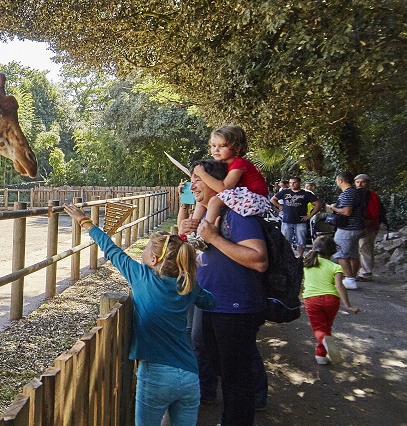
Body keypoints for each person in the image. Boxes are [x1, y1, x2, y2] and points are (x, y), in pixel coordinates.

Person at [66, 204, 217, 426]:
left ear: (154, 260)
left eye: (146, 250)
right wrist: (191, 277)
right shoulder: (188, 285)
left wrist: (85, 222)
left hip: (155, 375)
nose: (143, 253)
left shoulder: (141, 277)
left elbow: (112, 250)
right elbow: (210, 302)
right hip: (189, 376)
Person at [181, 159, 270, 425]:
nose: (192, 185)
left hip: (235, 309)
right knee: (224, 372)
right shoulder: (206, 217)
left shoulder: (237, 215)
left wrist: (215, 239)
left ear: (213, 181)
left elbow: (259, 259)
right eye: (193, 179)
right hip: (209, 304)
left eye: (198, 179)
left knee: (235, 378)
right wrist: (188, 232)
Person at [190, 125, 271, 249]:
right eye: (213, 146)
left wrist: (202, 173)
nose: (216, 150)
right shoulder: (224, 164)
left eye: (222, 146)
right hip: (244, 195)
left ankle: (205, 233)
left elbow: (224, 188)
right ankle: (193, 230)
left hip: (255, 198)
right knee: (204, 200)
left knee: (215, 200)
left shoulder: (238, 163)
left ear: (237, 148)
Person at [302, 235, 360, 365]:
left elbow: (298, 282)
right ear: (334, 251)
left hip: (312, 300)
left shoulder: (307, 263)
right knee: (327, 327)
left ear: (314, 248)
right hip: (331, 300)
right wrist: (348, 305)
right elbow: (340, 286)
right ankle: (320, 355)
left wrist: (299, 296)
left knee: (319, 328)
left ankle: (322, 343)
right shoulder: (336, 267)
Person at [326, 172, 365, 289]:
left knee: (340, 253)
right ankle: (352, 277)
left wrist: (333, 208)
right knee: (353, 254)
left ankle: (349, 279)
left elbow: (347, 211)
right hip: (357, 227)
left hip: (348, 228)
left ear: (341, 181)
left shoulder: (347, 194)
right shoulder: (355, 192)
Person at [270, 176, 321, 259]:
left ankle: (300, 257)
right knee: (286, 242)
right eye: (290, 183)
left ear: (299, 183)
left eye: (294, 182)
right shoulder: (285, 192)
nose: (292, 184)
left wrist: (310, 216)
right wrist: (279, 206)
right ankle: (287, 258)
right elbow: (273, 199)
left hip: (300, 221)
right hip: (287, 220)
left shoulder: (306, 194)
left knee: (301, 241)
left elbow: (318, 204)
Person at [354, 174, 386, 281]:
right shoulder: (357, 194)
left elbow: (374, 213)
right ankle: (359, 271)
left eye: (363, 182)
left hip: (369, 226)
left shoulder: (372, 196)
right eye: (358, 182)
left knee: (365, 248)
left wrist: (366, 222)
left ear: (368, 183)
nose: (360, 184)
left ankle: (366, 273)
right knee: (360, 248)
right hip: (359, 225)